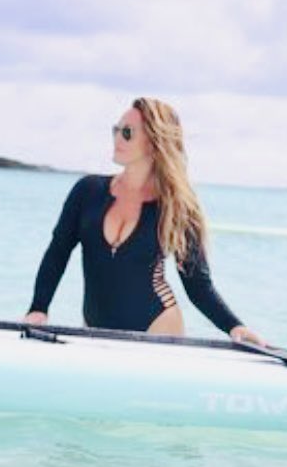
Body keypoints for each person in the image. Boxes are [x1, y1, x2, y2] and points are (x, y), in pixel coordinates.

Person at [24, 97, 263, 345]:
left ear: (153, 142)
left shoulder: (176, 207)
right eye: (115, 130)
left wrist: (234, 326)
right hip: (94, 329)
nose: (117, 138)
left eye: (127, 132)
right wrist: (38, 309)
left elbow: (197, 284)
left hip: (158, 327)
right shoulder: (87, 191)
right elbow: (57, 252)